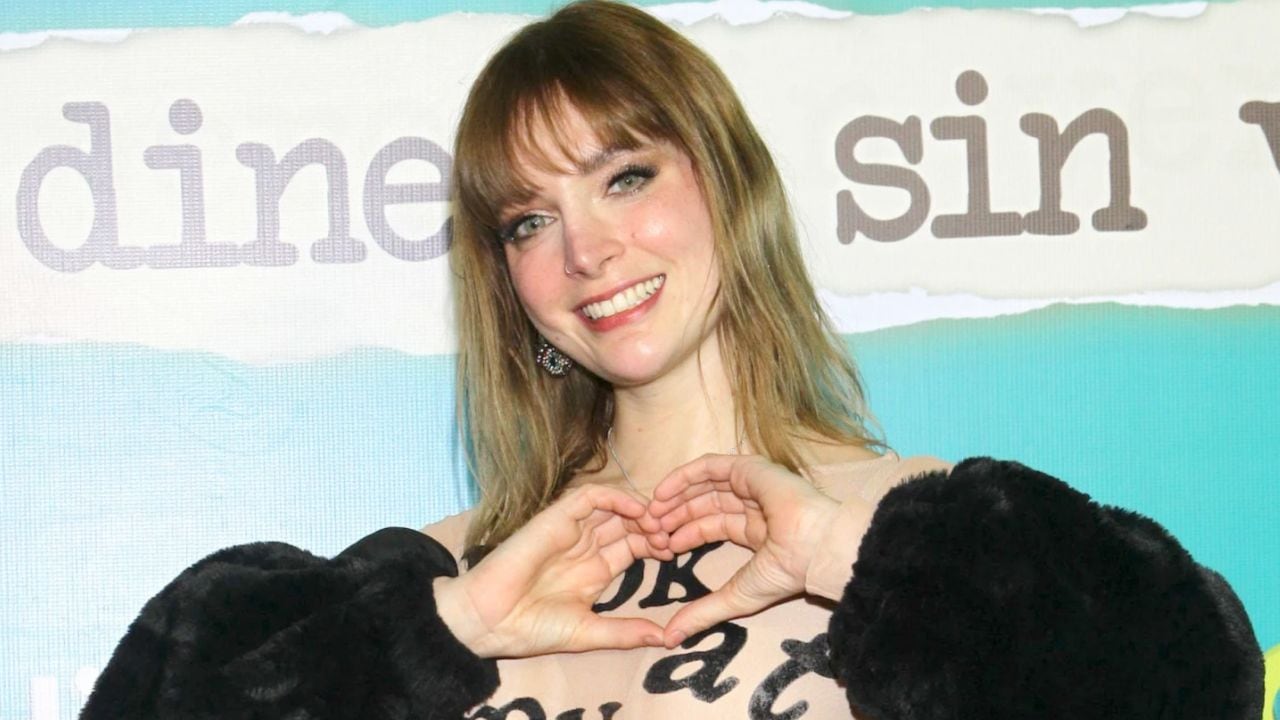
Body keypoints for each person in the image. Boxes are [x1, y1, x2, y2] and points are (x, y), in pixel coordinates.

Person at [80, 2, 1263, 719]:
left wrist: (846, 558)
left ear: (727, 184)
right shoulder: (448, 575)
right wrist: (439, 632)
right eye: (527, 221)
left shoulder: (917, 528)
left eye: (625, 176)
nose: (585, 250)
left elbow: (1190, 689)